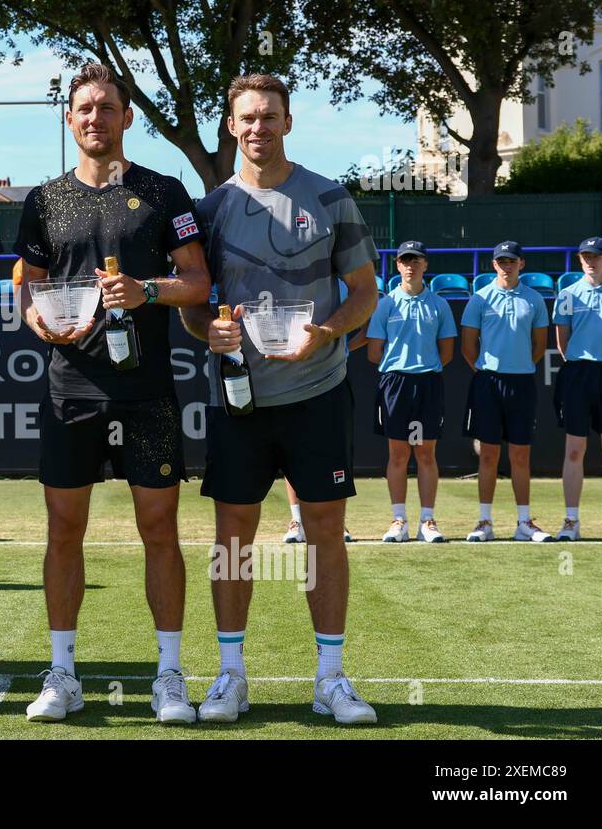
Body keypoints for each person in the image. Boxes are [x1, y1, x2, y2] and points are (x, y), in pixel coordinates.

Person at [12, 63, 210, 724]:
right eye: (84, 109)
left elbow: (198, 284)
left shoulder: (165, 192)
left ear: (127, 118)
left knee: (159, 529)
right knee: (64, 530)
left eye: (107, 107)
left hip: (148, 389)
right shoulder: (44, 200)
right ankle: (62, 674)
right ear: (70, 121)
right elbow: (26, 289)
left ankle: (169, 677)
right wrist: (41, 321)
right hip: (72, 388)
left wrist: (147, 290)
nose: (95, 117)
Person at [181, 73, 380, 725]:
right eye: (247, 118)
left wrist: (326, 331)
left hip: (318, 390)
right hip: (240, 399)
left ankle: (330, 678)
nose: (258, 128)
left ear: (287, 123)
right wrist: (203, 329)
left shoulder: (329, 198)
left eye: (270, 117)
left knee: (324, 532)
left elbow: (363, 293)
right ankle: (231, 677)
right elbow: (193, 305)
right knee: (233, 535)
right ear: (231, 128)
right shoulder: (208, 212)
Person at [364, 241, 457, 543]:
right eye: (405, 260)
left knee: (426, 454)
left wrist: (421, 367)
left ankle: (427, 521)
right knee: (398, 454)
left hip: (428, 383)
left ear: (425, 265)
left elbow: (447, 352)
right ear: (398, 265)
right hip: (395, 384)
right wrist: (402, 365)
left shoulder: (439, 304)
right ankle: (398, 520)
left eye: (416, 260)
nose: (410, 265)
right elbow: (374, 352)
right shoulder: (385, 304)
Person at [460, 241, 550, 543]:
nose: (506, 265)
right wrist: (487, 370)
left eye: (511, 261)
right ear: (493, 264)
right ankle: (485, 521)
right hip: (487, 383)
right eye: (501, 261)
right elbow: (467, 347)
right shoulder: (480, 299)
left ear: (521, 264)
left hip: (522, 383)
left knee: (521, 455)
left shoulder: (535, 300)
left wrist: (519, 365)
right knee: (487, 455)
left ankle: (524, 522)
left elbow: (539, 346)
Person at [284, 279, 368, 544]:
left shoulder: (347, 287)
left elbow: (365, 322)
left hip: (332, 380)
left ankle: (337, 523)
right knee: (291, 451)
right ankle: (297, 519)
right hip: (291, 377)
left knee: (333, 454)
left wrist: (339, 347)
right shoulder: (292, 285)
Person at [551, 236, 602, 541]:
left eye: (596, 256)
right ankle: (571, 522)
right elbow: (562, 342)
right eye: (585, 257)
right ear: (579, 260)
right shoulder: (567, 294)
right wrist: (580, 363)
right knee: (574, 449)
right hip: (578, 373)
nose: (591, 261)